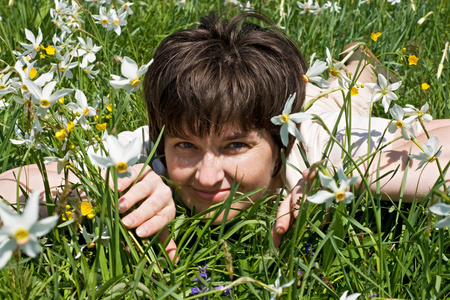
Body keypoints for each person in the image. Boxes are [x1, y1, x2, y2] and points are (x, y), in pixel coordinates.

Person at [1, 11, 449, 260]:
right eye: (187, 147)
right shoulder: (151, 153)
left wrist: (348, 181)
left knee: (346, 92)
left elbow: (436, 146)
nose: (208, 176)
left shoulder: (320, 144)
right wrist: (114, 185)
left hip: (323, 116)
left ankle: (354, 69)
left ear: (279, 143)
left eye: (236, 145)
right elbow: (9, 188)